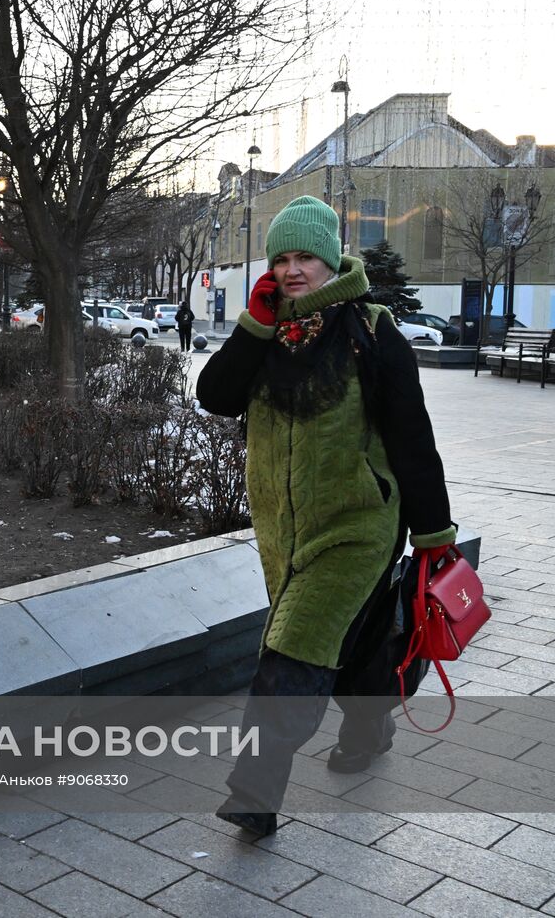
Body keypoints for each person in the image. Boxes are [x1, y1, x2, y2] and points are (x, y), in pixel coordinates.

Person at [195, 195, 457, 837]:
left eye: (305, 257)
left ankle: (254, 790)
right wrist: (254, 325)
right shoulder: (268, 332)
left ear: (331, 260)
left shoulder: (371, 330)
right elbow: (216, 396)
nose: (292, 270)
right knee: (353, 643)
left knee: (294, 646)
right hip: (283, 531)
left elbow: (412, 437)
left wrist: (434, 535)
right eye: (281, 258)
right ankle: (371, 725)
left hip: (357, 525)